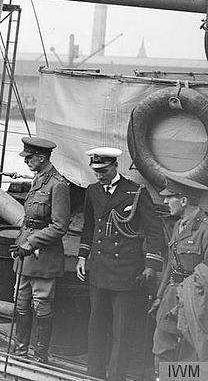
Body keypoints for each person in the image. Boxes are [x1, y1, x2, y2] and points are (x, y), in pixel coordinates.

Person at [76, 147, 164, 381]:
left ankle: (116, 376)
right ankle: (94, 373)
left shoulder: (135, 192)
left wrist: (151, 266)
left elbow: (155, 232)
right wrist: (82, 257)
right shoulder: (92, 191)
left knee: (121, 329)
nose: (100, 176)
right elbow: (89, 227)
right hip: (99, 269)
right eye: (96, 171)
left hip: (126, 271)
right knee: (96, 324)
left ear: (115, 166)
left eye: (104, 171)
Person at [10, 137, 70, 363]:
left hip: (43, 256)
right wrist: (20, 242)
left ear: (41, 157)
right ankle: (20, 350)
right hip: (25, 255)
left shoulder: (58, 185)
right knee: (21, 301)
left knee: (41, 303)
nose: (26, 162)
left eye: (29, 158)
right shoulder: (38, 180)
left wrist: (32, 242)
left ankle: (40, 356)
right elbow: (28, 220)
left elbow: (59, 226)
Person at [150, 174, 208, 370]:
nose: (165, 201)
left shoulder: (205, 229)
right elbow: (170, 264)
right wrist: (159, 296)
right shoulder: (177, 225)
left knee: (190, 354)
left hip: (194, 300)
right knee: (162, 346)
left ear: (183, 201)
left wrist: (189, 297)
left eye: (169, 197)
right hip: (171, 296)